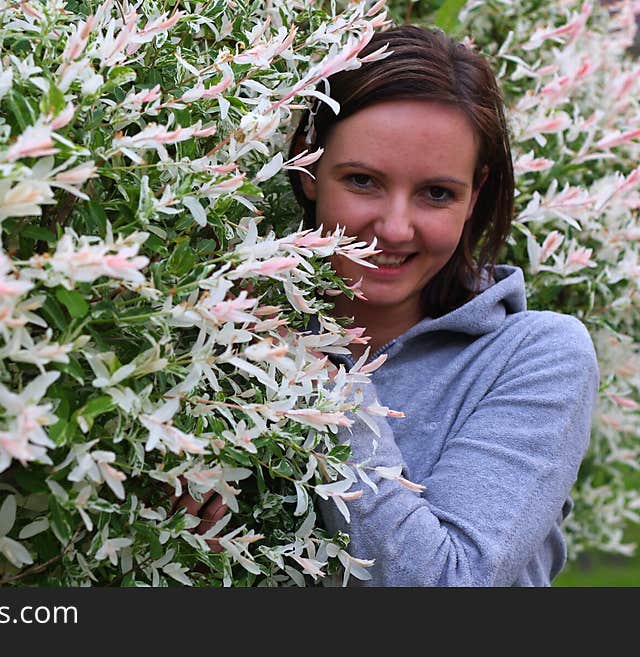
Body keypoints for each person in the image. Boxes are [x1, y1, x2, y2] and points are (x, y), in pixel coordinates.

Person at [173, 24, 599, 586]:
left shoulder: (536, 355)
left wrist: (325, 387)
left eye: (437, 193)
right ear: (307, 167)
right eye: (363, 181)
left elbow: (448, 582)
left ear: (476, 193)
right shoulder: (218, 332)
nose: (395, 228)